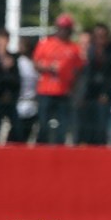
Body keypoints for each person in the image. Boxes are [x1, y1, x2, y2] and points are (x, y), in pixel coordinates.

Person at [33, 13, 85, 145]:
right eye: (61, 27)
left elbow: (79, 69)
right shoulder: (45, 44)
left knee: (62, 126)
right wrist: (48, 68)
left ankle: (59, 151)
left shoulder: (74, 48)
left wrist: (73, 84)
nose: (63, 31)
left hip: (64, 92)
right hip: (45, 91)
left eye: (66, 28)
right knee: (43, 124)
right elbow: (36, 64)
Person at [77, 23, 111, 145]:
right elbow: (85, 73)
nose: (100, 39)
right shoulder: (90, 51)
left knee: (101, 126)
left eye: (103, 36)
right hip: (89, 94)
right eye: (97, 36)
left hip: (104, 93)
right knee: (85, 126)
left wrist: (105, 92)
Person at [11, 36, 40, 143]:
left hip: (33, 104)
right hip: (19, 102)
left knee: (30, 134)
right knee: (17, 135)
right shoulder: (17, 62)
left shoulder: (35, 64)